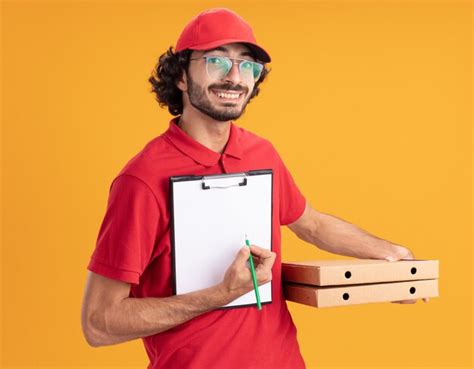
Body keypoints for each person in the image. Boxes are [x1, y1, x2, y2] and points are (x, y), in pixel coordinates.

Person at [81, 7, 428, 369]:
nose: (235, 77)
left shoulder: (261, 153)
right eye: (217, 61)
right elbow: (99, 323)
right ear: (181, 76)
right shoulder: (142, 179)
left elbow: (310, 223)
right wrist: (220, 295)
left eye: (248, 66)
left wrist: (393, 258)